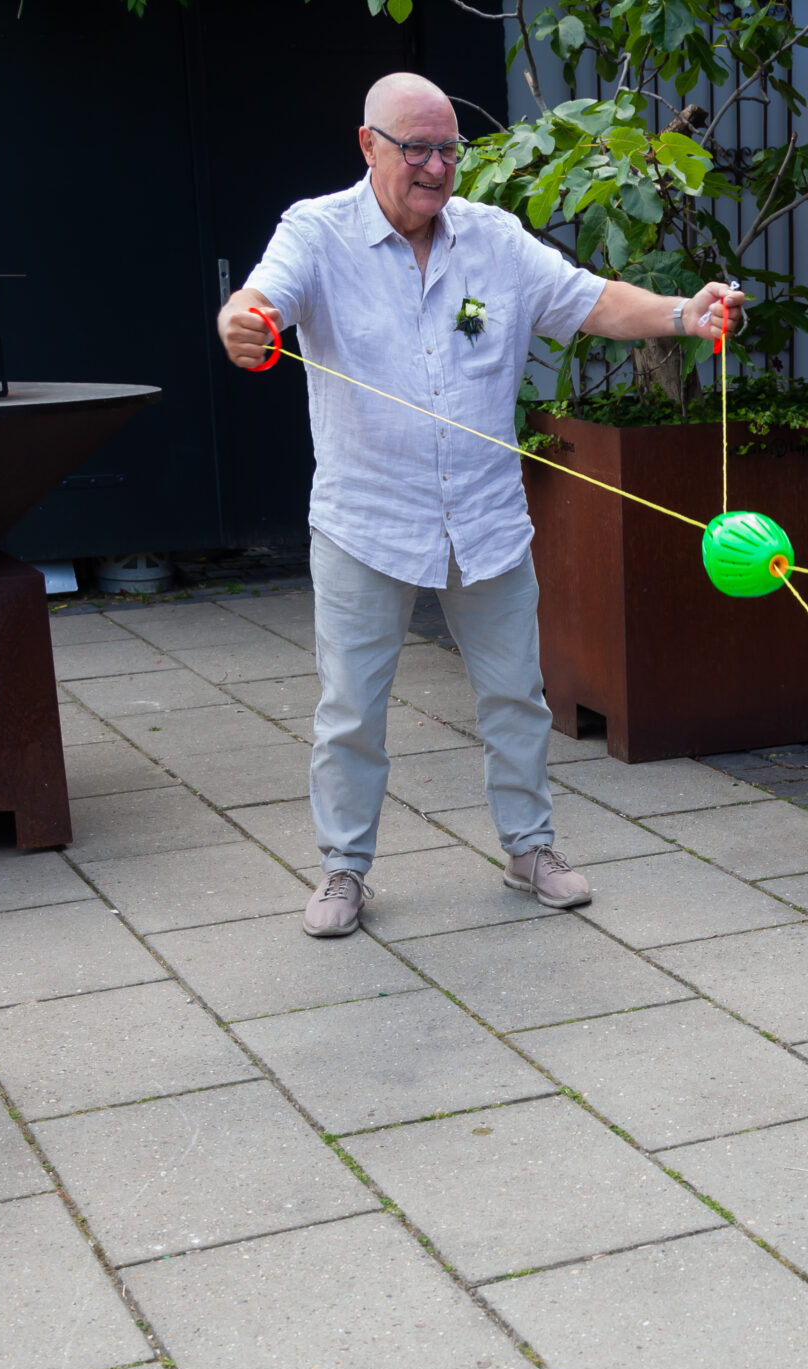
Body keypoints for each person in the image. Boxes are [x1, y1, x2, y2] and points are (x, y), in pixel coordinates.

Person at [220, 74, 743, 937]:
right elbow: (258, 301)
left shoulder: (493, 238)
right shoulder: (315, 232)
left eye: (448, 150)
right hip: (364, 521)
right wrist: (241, 320)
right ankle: (343, 868)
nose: (435, 167)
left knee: (517, 696)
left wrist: (686, 315)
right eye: (416, 149)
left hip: (487, 519)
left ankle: (530, 849)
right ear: (368, 145)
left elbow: (591, 300)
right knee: (350, 712)